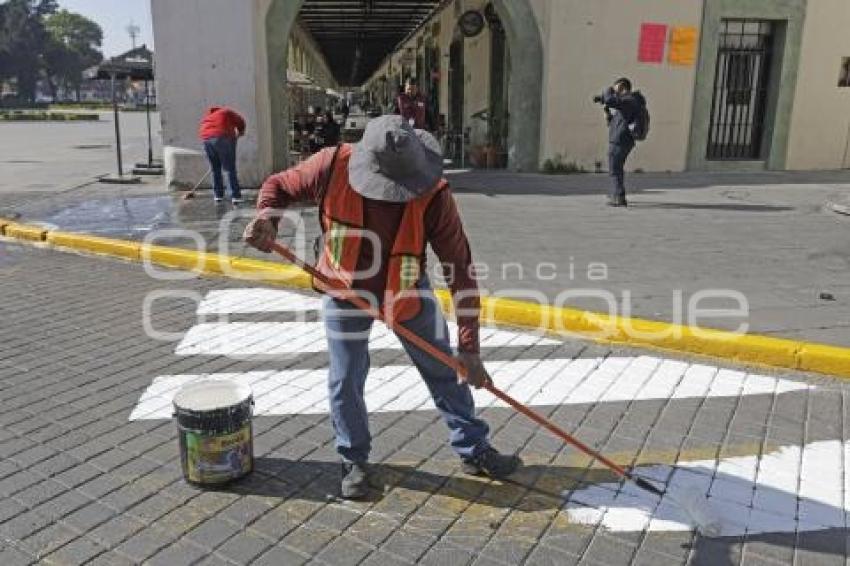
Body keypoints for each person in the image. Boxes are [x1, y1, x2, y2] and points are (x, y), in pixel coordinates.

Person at [243, 115, 521, 499]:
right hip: (345, 289)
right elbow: (278, 186)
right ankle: (353, 458)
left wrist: (470, 348)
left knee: (446, 369)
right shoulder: (329, 165)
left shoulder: (434, 193)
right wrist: (266, 218)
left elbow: (459, 269)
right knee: (346, 378)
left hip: (406, 290)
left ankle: (474, 449)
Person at [593, 78, 647, 207]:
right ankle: (616, 193)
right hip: (622, 140)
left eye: (616, 89)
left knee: (615, 170)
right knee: (617, 169)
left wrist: (608, 90)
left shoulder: (629, 100)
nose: (615, 92)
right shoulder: (628, 102)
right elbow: (617, 123)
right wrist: (608, 115)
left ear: (622, 87)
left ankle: (618, 197)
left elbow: (611, 100)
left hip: (620, 142)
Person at [197, 106, 245, 204]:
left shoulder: (208, 118)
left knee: (215, 169)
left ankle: (218, 196)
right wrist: (241, 131)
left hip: (206, 140)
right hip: (223, 138)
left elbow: (204, 130)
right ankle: (235, 196)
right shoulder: (226, 111)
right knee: (230, 168)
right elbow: (240, 121)